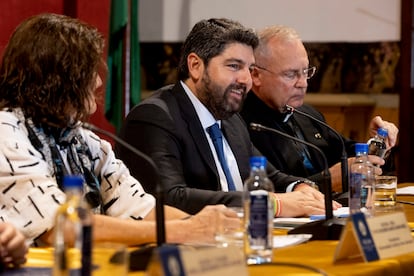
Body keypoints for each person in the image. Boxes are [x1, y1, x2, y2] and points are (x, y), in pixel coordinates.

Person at [0, 13, 240, 247]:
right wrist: (185, 230)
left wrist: (211, 227)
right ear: (57, 78)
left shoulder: (83, 138)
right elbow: (61, 228)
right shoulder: (7, 132)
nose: (98, 82)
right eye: (88, 72)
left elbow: (139, 208)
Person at [117, 18, 339, 218]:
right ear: (195, 65)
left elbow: (269, 175)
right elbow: (170, 198)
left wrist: (299, 187)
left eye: (249, 68)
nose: (245, 79)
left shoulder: (230, 118)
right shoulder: (155, 118)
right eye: (234, 66)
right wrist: (270, 203)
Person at [240, 25, 399, 193]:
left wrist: (379, 145)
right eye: (290, 74)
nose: (303, 83)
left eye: (305, 72)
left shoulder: (308, 115)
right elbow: (267, 190)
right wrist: (328, 181)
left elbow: (348, 156)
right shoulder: (240, 124)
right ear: (256, 75)